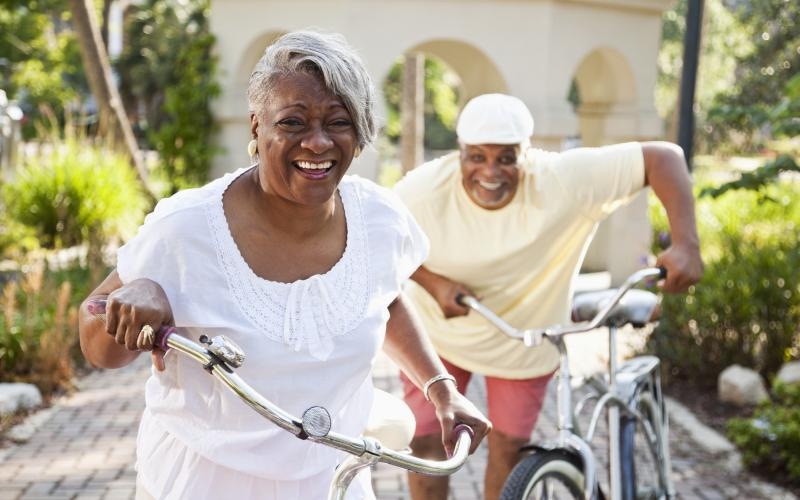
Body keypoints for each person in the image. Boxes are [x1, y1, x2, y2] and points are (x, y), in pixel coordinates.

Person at [78, 31, 490, 500]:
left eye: (338, 121)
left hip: (333, 476)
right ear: (257, 127)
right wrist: (140, 292)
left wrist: (442, 390)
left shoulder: (379, 218)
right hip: (204, 481)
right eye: (293, 123)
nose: (317, 143)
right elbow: (99, 349)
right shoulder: (186, 228)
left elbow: (384, 299)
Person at [393, 93, 704, 500]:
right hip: (440, 336)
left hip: (525, 340)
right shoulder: (423, 190)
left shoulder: (563, 179)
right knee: (426, 445)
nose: (490, 171)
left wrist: (686, 243)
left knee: (507, 451)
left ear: (527, 153)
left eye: (506, 158)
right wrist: (433, 283)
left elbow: (662, 157)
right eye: (477, 157)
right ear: (460, 153)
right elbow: (380, 238)